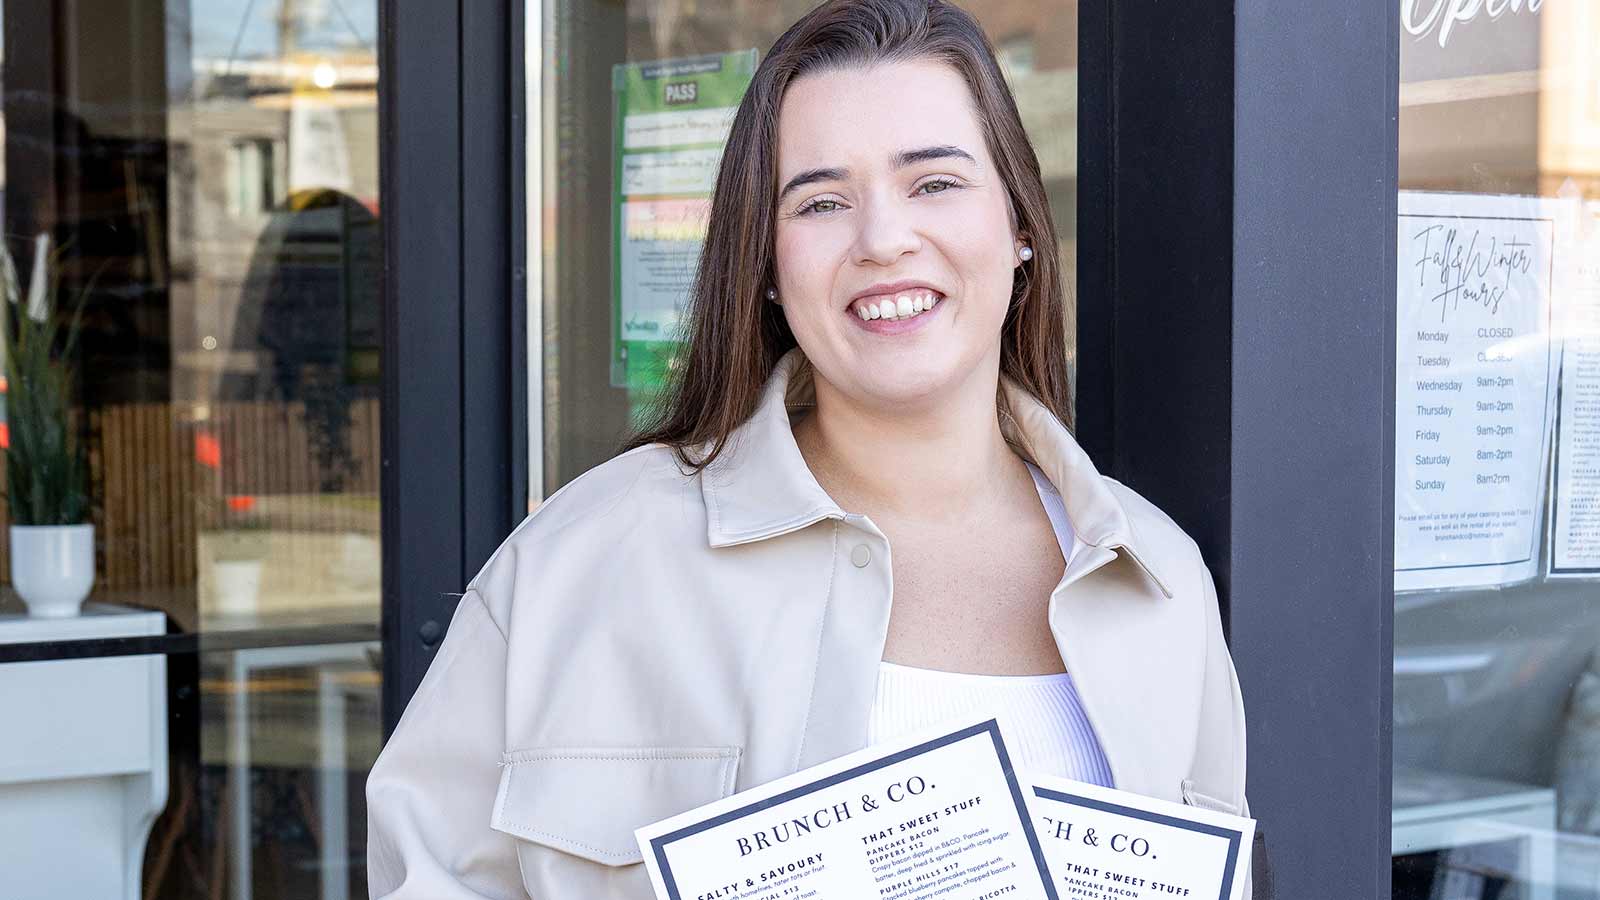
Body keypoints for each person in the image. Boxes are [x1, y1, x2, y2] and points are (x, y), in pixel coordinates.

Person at [366, 0, 1253, 897]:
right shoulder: (582, 564)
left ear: (1020, 228)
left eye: (935, 183)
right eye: (822, 201)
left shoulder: (1160, 583)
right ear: (767, 267)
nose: (883, 240)